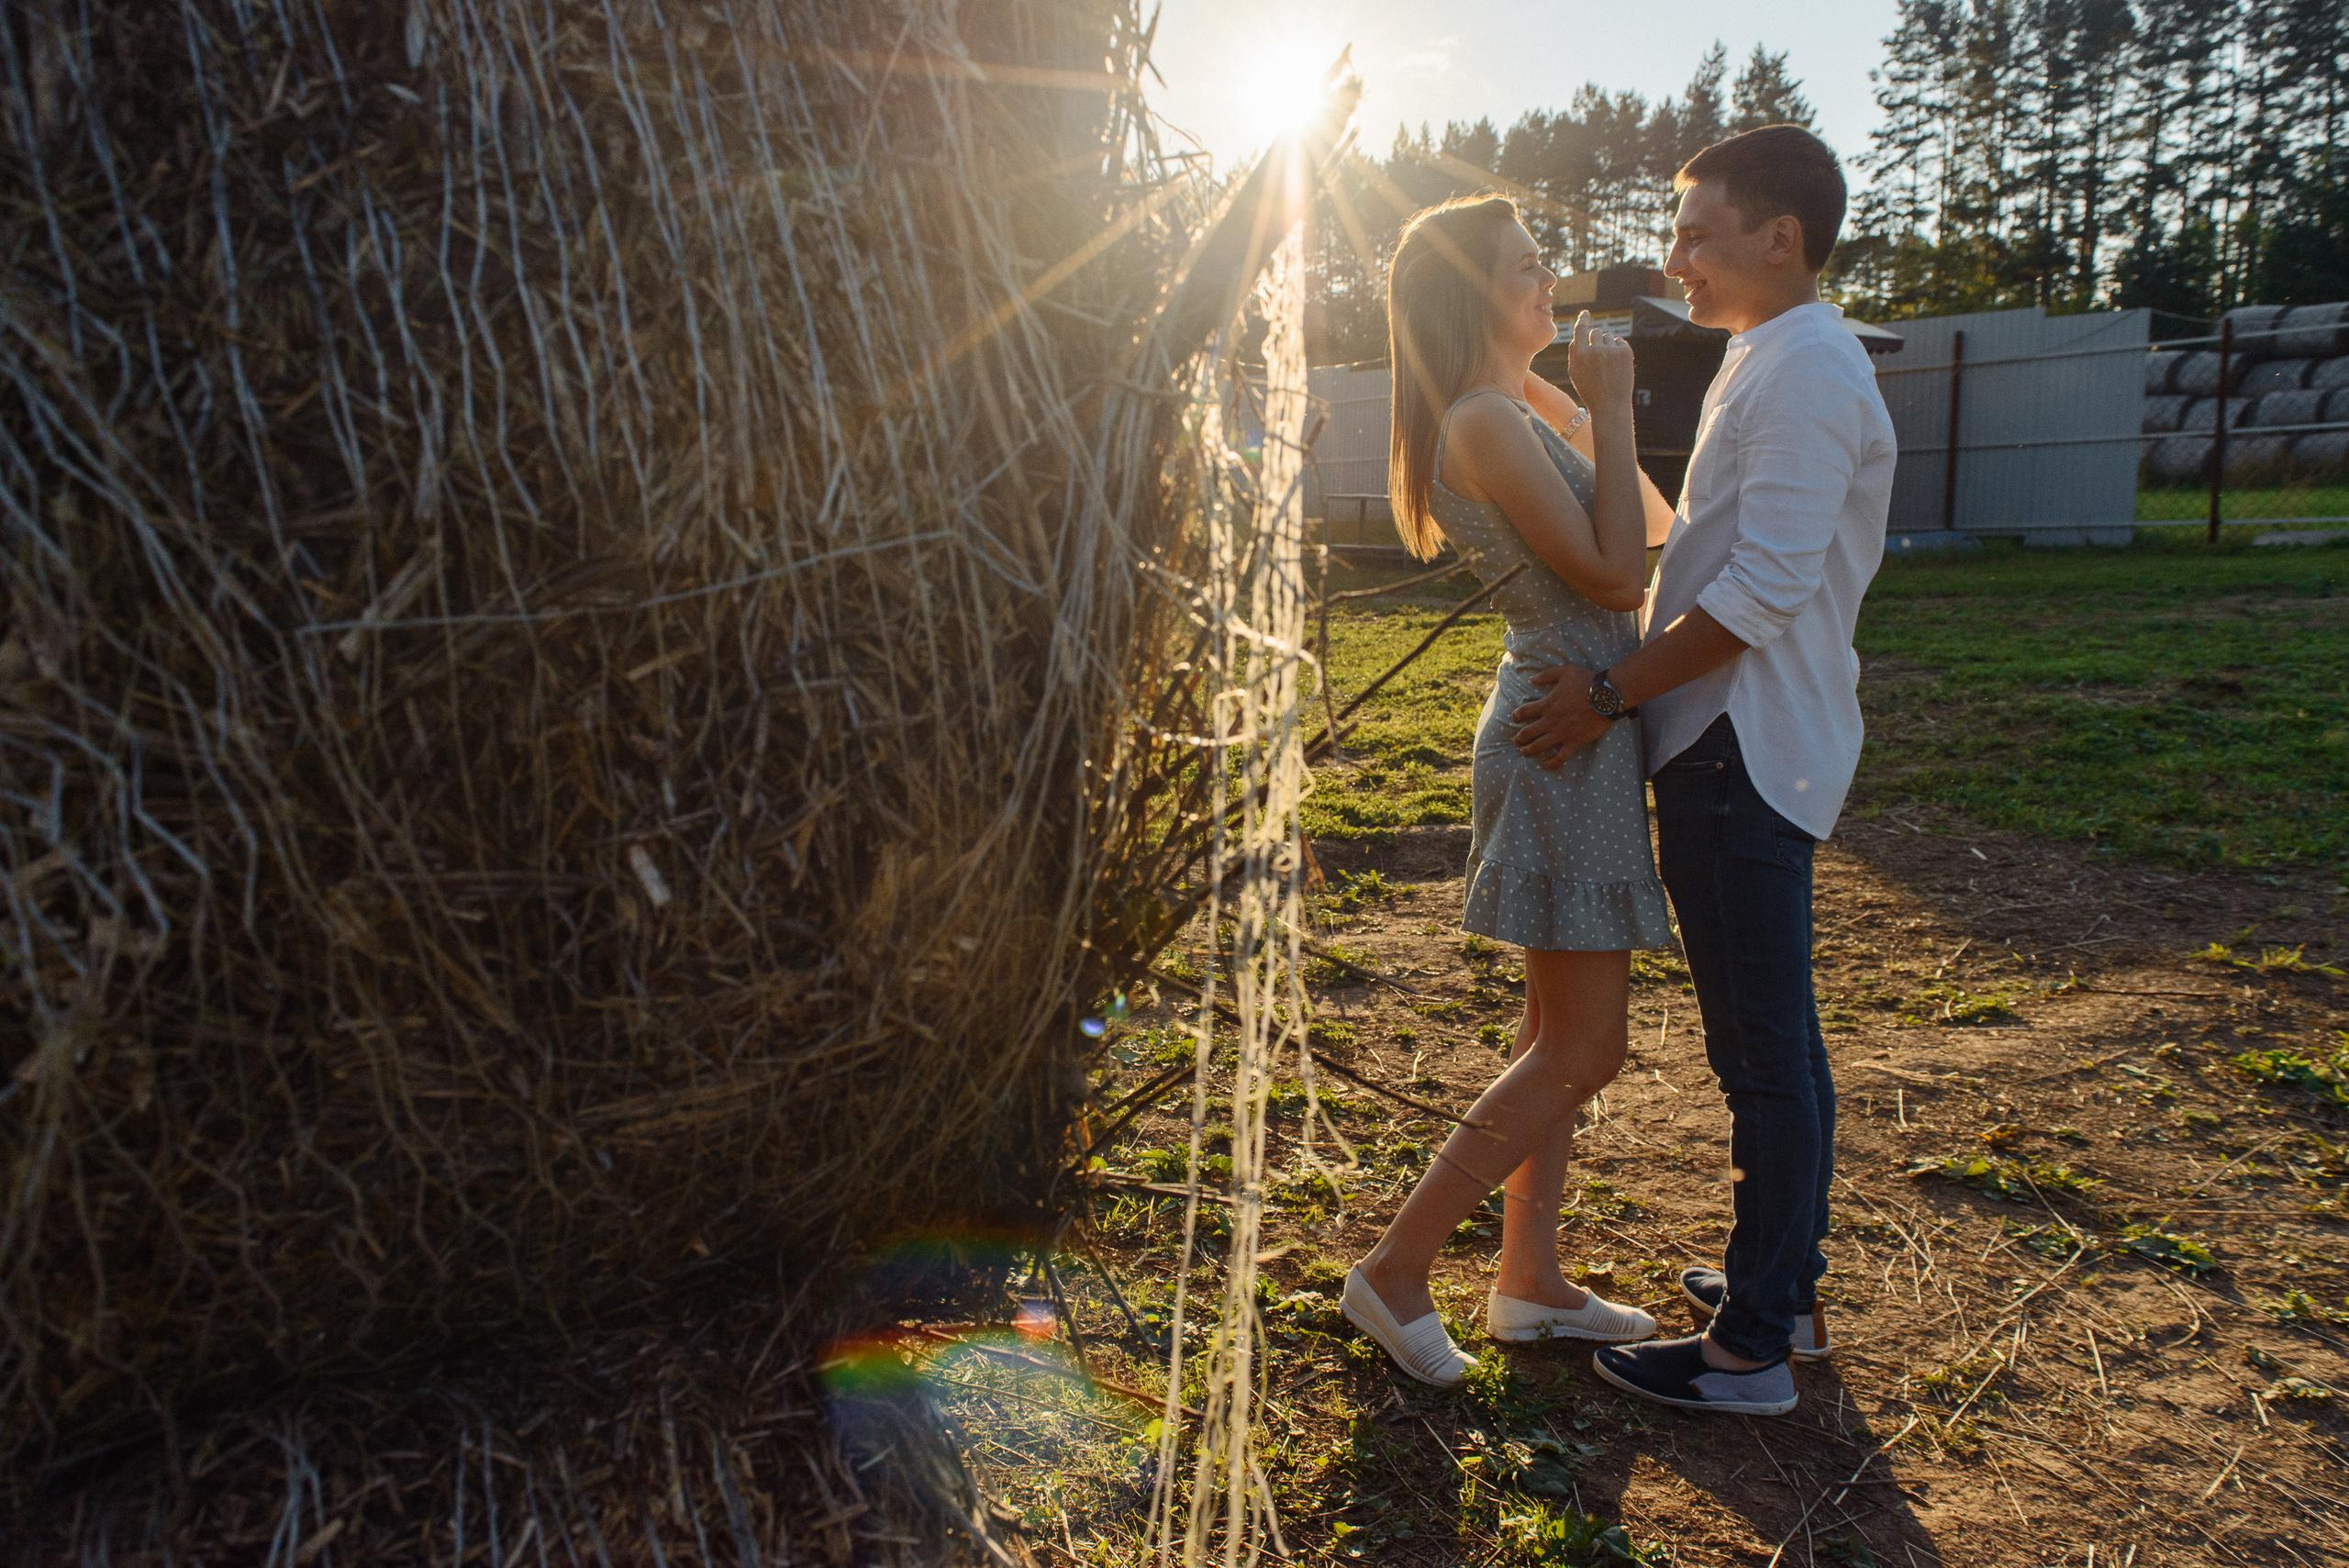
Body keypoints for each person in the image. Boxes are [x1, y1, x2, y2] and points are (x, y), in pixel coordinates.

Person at [1508, 125, 1896, 1416]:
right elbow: (1714, 541)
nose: (1675, 256)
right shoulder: (1768, 356)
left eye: (1697, 230)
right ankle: (1781, 1288)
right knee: (1782, 1046)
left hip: (1742, 743)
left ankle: (1752, 1354)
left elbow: (1766, 586)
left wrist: (1613, 693)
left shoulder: (1805, 370)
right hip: (1738, 739)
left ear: (1780, 238)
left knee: (1764, 1056)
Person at [1340, 195, 1680, 1387]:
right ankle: (1395, 1266)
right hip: (1558, 731)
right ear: (1475, 292)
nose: (1553, 283)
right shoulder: (1481, 418)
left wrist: (1583, 406)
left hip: (1571, 727)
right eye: (1530, 267)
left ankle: (1528, 1282)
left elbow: (1654, 521)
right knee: (1587, 1043)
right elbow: (1619, 575)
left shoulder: (1512, 407)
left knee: (1557, 1034)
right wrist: (1622, 406)